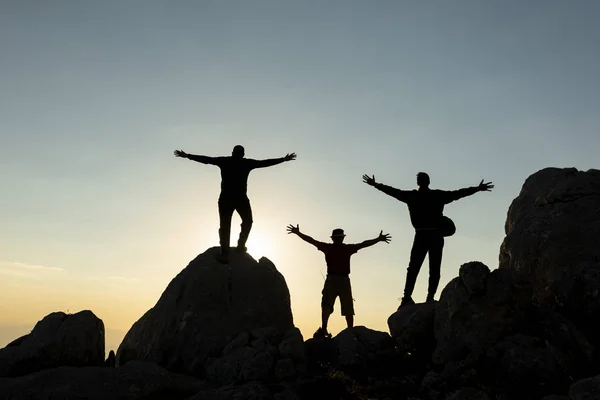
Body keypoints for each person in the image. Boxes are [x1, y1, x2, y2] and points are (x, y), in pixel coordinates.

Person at [362, 172, 493, 308]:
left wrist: (376, 185)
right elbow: (458, 194)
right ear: (428, 182)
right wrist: (477, 189)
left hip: (424, 236)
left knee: (417, 268)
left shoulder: (414, 196)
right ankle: (421, 297)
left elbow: (393, 192)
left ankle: (411, 297)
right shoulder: (434, 195)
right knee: (428, 269)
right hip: (432, 236)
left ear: (418, 182)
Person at [174, 145, 296, 263]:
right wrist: (188, 156)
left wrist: (283, 160)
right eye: (237, 154)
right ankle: (227, 252)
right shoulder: (230, 161)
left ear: (240, 155)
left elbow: (264, 163)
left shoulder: (241, 162)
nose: (238, 156)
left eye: (239, 154)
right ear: (235, 154)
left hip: (238, 198)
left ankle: (238, 247)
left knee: (243, 222)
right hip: (229, 199)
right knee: (228, 225)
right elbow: (207, 160)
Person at [286, 224, 391, 338]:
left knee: (328, 304)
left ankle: (325, 328)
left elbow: (312, 241)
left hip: (332, 280)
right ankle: (348, 330)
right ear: (342, 238)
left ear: (333, 238)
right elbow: (363, 244)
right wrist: (378, 239)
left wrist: (298, 233)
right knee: (346, 306)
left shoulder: (329, 248)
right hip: (343, 280)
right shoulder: (346, 248)